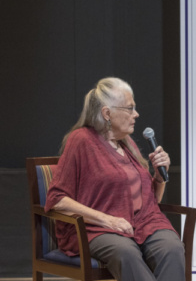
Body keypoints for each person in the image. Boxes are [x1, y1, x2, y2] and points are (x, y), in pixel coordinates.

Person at [45, 77, 185, 281]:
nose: (136, 114)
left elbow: (151, 202)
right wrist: (108, 220)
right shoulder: (81, 140)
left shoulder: (127, 144)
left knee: (172, 249)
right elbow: (57, 199)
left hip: (144, 223)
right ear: (107, 113)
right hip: (97, 228)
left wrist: (158, 176)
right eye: (130, 108)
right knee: (126, 252)